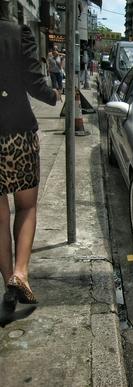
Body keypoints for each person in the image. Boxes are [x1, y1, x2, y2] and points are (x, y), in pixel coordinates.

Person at [0, 0, 60, 308]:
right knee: (26, 207)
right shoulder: (17, 33)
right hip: (17, 133)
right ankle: (20, 274)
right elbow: (34, 84)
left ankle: (8, 277)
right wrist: (55, 97)